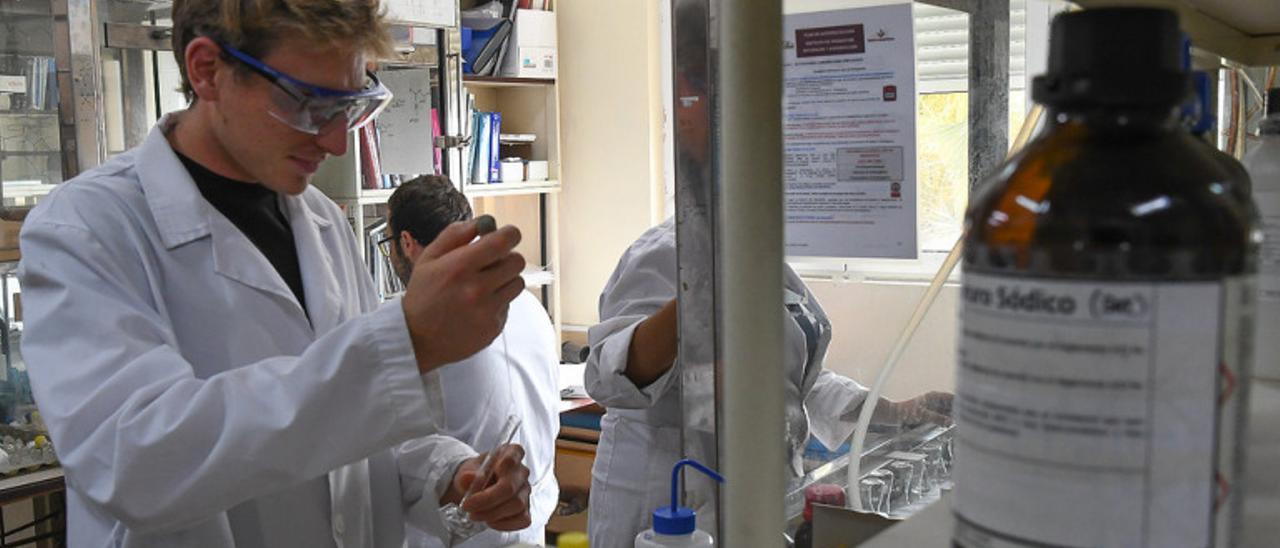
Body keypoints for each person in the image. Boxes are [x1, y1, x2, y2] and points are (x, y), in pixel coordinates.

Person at [17, 1, 533, 546]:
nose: (336, 141)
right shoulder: (85, 229)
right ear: (207, 70)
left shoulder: (321, 222)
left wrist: (451, 473)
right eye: (308, 103)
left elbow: (358, 432)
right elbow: (136, 464)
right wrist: (408, 342)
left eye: (351, 106)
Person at [584, 218, 952, 546]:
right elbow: (610, 374)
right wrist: (695, 300)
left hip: (750, 484)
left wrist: (890, 411)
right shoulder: (666, 251)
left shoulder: (755, 247)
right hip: (669, 493)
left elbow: (789, 376)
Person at [385, 176, 561, 547]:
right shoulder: (529, 304)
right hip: (528, 520)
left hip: (463, 528)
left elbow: (384, 451)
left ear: (406, 244)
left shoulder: (414, 326)